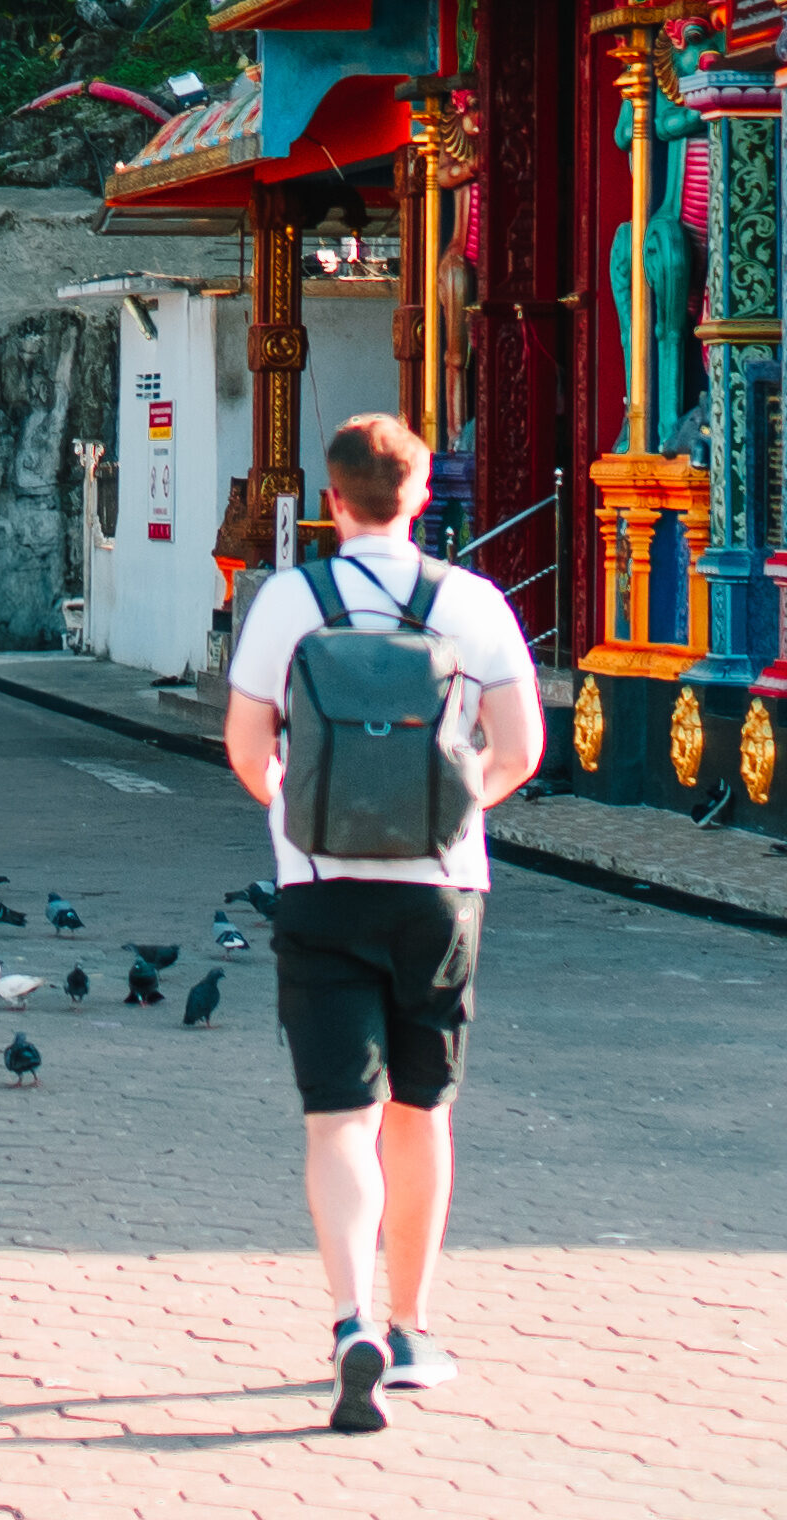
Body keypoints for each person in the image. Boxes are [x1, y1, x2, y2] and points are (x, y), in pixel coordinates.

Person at [218, 411, 543, 1419]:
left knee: (338, 1118)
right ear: (419, 497)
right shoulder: (471, 602)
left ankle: (348, 1316)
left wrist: (299, 815)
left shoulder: (287, 602)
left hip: (318, 887)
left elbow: (245, 749)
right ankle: (409, 1327)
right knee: (421, 1109)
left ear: (333, 499)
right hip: (438, 892)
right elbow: (520, 748)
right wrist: (450, 809)